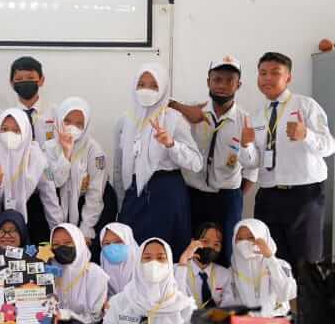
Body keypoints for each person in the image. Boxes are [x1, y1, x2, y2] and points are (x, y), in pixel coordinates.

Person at [241, 52, 335, 266]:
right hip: (268, 196)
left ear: (288, 78)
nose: (267, 78)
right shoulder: (256, 115)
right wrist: (245, 145)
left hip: (304, 196)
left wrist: (306, 135)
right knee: (271, 262)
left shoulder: (306, 105)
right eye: (262, 73)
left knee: (306, 265)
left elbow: (330, 146)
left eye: (275, 73)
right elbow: (252, 162)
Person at [171, 56, 257, 266]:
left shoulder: (245, 120)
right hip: (192, 194)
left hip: (226, 197)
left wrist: (235, 194)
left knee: (226, 252)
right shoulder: (191, 113)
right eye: (217, 79)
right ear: (208, 81)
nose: (222, 85)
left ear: (238, 85)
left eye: (229, 80)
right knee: (188, 248)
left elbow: (252, 167)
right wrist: (179, 107)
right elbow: (161, 102)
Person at [113, 63, 203, 257]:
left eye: (154, 86)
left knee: (167, 253)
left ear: (162, 89)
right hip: (135, 193)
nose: (146, 90)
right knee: (133, 252)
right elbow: (119, 166)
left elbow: (196, 163)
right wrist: (121, 201)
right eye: (141, 84)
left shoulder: (173, 119)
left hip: (166, 193)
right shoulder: (125, 120)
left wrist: (171, 145)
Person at [43, 97, 117, 259]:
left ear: (86, 126)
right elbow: (53, 183)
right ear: (59, 120)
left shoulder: (95, 151)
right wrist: (66, 154)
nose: (72, 127)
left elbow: (95, 193)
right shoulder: (47, 149)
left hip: (90, 207)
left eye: (79, 124)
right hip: (55, 205)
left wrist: (86, 230)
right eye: (67, 121)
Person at [0, 108, 62, 244]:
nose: (9, 134)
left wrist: (58, 229)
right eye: (5, 129)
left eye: (16, 130)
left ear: (26, 132)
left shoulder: (38, 158)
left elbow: (50, 195)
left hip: (31, 212)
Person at [230, 218, 297, 317]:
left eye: (251, 238)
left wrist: (270, 258)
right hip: (246, 323)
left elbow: (286, 294)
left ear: (263, 238)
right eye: (239, 239)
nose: (244, 242)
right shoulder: (231, 271)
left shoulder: (282, 265)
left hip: (277, 322)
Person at [174, 222, 235, 309]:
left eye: (216, 244)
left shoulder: (224, 274)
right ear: (193, 242)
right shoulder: (176, 269)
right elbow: (176, 301)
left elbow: (228, 306)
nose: (210, 247)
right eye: (205, 241)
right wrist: (183, 260)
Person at [10, 56, 57, 148]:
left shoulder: (55, 112)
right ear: (12, 83)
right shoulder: (8, 116)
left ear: (41, 80)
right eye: (19, 79)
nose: (25, 82)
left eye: (30, 78)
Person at [99, 223, 139, 297]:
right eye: (107, 243)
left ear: (129, 242)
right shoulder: (99, 275)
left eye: (118, 242)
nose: (112, 247)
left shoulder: (143, 271)